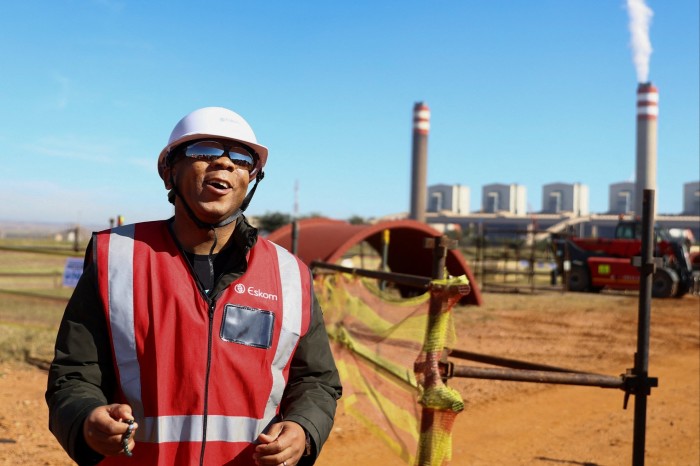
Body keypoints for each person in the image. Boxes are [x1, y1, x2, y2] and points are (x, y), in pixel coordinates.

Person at [46, 107, 342, 465]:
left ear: (252, 177)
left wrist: (304, 428)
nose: (225, 163)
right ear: (169, 172)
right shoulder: (117, 260)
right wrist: (84, 419)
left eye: (241, 157)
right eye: (204, 150)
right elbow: (75, 371)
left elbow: (316, 380)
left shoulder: (290, 275)